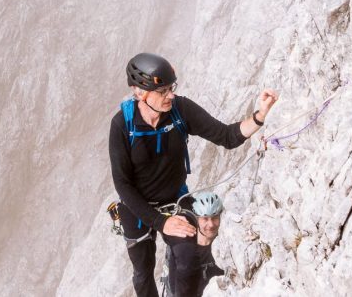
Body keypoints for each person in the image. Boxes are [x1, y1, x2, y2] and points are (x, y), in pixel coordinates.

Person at [109, 52, 278, 297]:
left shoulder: (181, 110)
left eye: (171, 88)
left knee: (190, 258)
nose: (171, 96)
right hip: (137, 207)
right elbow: (122, 184)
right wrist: (161, 222)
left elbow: (226, 136)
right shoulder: (122, 125)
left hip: (174, 201)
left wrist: (259, 115)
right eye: (163, 91)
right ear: (139, 92)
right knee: (143, 274)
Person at [167, 191, 226, 297]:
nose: (211, 224)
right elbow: (174, 285)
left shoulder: (226, 243)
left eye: (215, 217)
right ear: (197, 219)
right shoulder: (184, 248)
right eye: (205, 218)